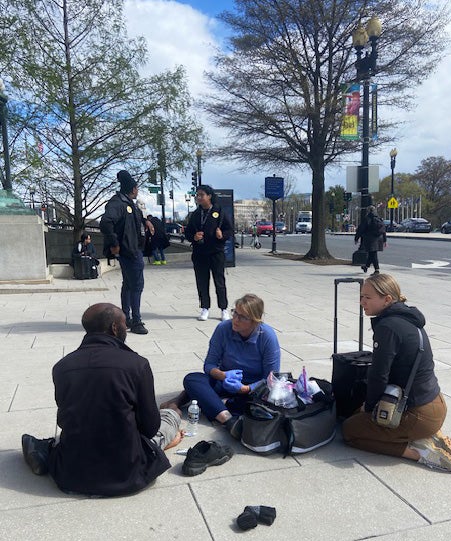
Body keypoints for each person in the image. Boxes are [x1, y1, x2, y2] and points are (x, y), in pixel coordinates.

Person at [21, 303, 184, 497]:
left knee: (79, 430)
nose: (126, 329)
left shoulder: (62, 366)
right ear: (115, 328)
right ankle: (167, 435)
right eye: (124, 324)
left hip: (72, 473)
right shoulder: (137, 364)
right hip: (126, 473)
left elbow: (65, 416)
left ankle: (44, 451)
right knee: (170, 414)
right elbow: (149, 427)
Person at [342, 273, 451, 473]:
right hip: (435, 404)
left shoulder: (388, 327)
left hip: (419, 413)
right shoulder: (408, 318)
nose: (361, 301)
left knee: (350, 431)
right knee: (358, 415)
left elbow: (378, 375)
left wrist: (369, 407)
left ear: (387, 299)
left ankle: (420, 452)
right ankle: (431, 434)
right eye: (361, 296)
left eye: (368, 297)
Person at [165, 294, 280, 435]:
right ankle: (228, 421)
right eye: (235, 313)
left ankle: (211, 404)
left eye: (242, 317)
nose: (235, 320)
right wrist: (223, 375)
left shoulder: (267, 336)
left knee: (263, 404)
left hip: (252, 389)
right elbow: (209, 364)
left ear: (255, 321)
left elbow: (272, 378)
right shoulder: (223, 328)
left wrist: (246, 388)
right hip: (225, 381)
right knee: (192, 379)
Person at [100, 170, 153, 334]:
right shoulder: (118, 203)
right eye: (137, 188)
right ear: (132, 189)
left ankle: (126, 317)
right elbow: (106, 223)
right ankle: (136, 321)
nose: (138, 191)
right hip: (129, 250)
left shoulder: (128, 203)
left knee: (129, 285)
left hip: (133, 249)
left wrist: (146, 222)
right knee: (136, 285)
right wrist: (114, 243)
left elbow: (134, 220)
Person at [184, 184, 233, 321]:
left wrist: (221, 235)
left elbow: (229, 230)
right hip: (200, 253)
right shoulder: (195, 214)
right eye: (197, 195)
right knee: (202, 281)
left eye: (201, 195)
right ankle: (205, 307)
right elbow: (187, 232)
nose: (199, 198)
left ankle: (223, 308)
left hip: (216, 252)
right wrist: (193, 237)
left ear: (209, 196)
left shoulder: (219, 212)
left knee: (219, 281)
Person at [354, 206, 386, 274]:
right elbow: (383, 230)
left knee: (373, 254)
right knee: (372, 254)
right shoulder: (379, 218)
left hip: (370, 239)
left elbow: (361, 229)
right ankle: (366, 266)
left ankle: (377, 270)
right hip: (379, 239)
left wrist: (356, 238)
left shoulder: (367, 218)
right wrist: (384, 240)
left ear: (368, 211)